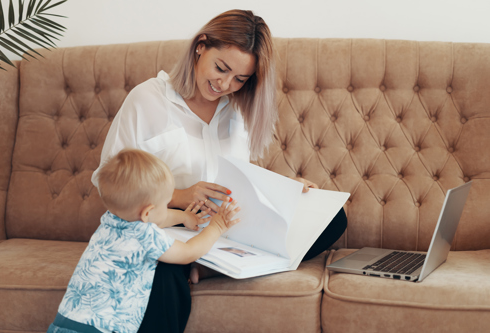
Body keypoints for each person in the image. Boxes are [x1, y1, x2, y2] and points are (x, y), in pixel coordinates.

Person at [91, 9, 347, 333]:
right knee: (161, 271)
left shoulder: (237, 108)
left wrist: (285, 189)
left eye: (240, 79)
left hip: (228, 229)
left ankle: (206, 265)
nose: (225, 84)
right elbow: (106, 183)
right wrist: (182, 197)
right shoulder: (148, 100)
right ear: (201, 46)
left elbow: (239, 178)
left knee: (332, 217)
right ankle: (191, 261)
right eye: (221, 68)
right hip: (170, 229)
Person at [48, 149, 241, 333]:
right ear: (147, 212)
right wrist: (217, 226)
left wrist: (183, 217)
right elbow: (188, 252)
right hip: (105, 328)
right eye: (166, 204)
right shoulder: (147, 237)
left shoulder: (109, 221)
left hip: (65, 321)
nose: (167, 209)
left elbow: (157, 217)